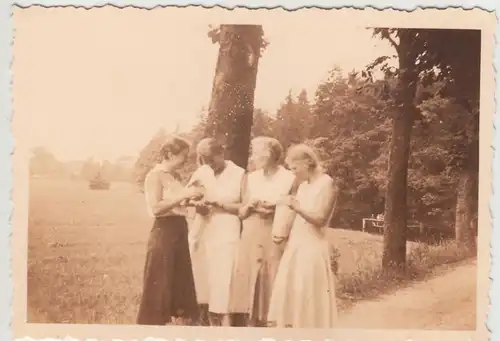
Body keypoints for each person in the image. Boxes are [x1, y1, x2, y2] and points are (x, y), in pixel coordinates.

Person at [267, 143, 339, 328]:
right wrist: (283, 233)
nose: (294, 173)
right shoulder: (303, 186)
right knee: (293, 293)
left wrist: (297, 207)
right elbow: (297, 216)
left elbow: (321, 218)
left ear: (307, 162)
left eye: (295, 167)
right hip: (297, 245)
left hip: (313, 246)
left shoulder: (327, 183)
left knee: (308, 294)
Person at [136, 135, 204, 325]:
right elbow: (156, 208)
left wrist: (193, 200)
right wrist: (184, 194)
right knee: (160, 279)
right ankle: (152, 326)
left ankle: (177, 322)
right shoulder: (154, 175)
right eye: (182, 156)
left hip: (179, 229)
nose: (185, 160)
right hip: (164, 231)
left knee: (178, 279)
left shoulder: (175, 176)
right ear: (168, 154)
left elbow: (176, 204)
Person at [230, 136, 297, 326]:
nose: (252, 157)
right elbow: (241, 213)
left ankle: (273, 321)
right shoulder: (251, 178)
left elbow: (293, 208)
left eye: (255, 153)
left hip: (274, 232)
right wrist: (250, 206)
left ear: (268, 155)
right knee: (251, 273)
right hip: (251, 232)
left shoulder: (289, 178)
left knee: (273, 273)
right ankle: (250, 321)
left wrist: (275, 207)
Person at [187, 137, 246, 327]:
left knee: (224, 273)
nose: (209, 165)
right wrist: (197, 204)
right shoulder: (201, 172)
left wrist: (220, 204)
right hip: (204, 228)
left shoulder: (239, 173)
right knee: (204, 274)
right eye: (204, 160)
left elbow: (244, 207)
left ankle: (226, 322)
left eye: (211, 160)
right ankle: (206, 320)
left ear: (221, 153)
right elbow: (187, 198)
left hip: (227, 227)